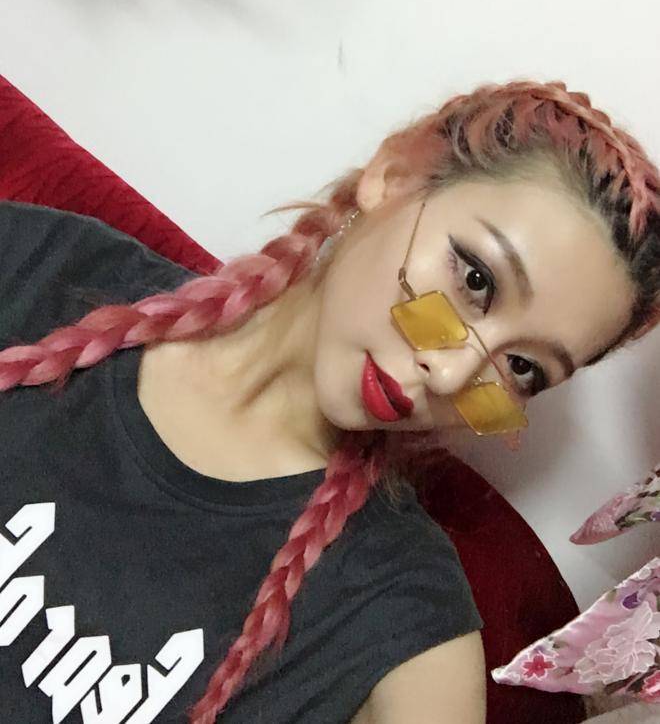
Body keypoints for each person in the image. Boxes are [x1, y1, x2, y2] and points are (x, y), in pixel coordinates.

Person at [0, 78, 657, 724]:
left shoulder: (402, 623)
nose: (452, 371)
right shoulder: (40, 267)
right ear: (394, 178)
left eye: (521, 368)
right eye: (477, 279)